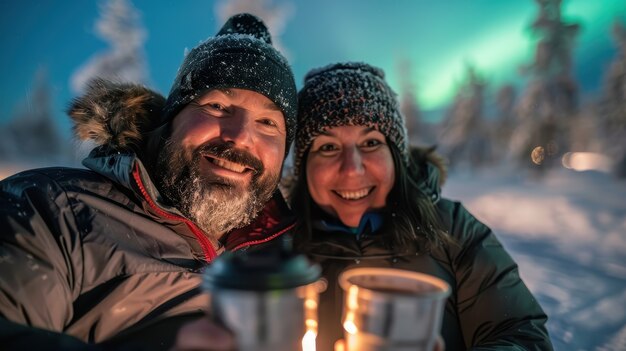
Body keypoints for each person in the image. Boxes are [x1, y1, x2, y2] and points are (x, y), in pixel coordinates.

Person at [0, 13, 297, 350]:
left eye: (267, 122)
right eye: (217, 106)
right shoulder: (51, 210)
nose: (240, 137)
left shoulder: (290, 251)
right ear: (169, 122)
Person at [288, 62, 554, 350]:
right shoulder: (274, 247)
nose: (352, 169)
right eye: (328, 147)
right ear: (304, 167)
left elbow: (522, 336)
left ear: (396, 157)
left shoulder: (453, 231)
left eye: (371, 142)